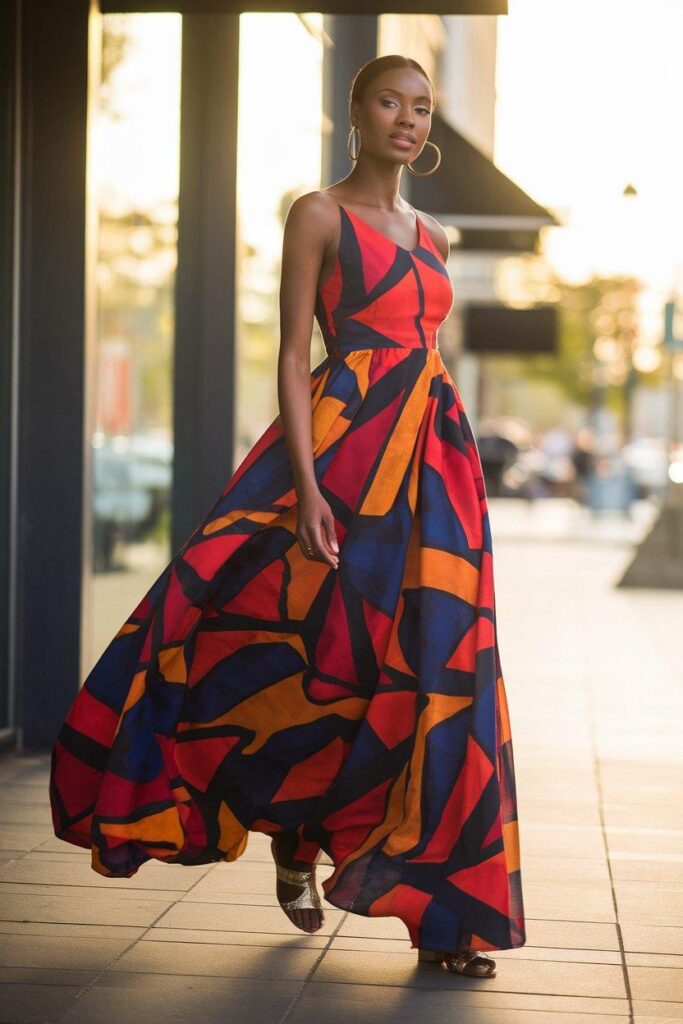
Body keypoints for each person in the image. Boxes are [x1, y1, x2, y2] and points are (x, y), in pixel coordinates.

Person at [49, 54, 525, 979]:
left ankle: (444, 918)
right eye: (390, 102)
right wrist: (306, 488)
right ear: (354, 112)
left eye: (422, 108)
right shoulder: (317, 213)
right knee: (319, 652)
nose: (408, 119)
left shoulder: (436, 235)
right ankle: (294, 833)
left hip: (432, 464)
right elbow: (292, 352)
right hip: (343, 455)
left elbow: (427, 356)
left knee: (438, 665)